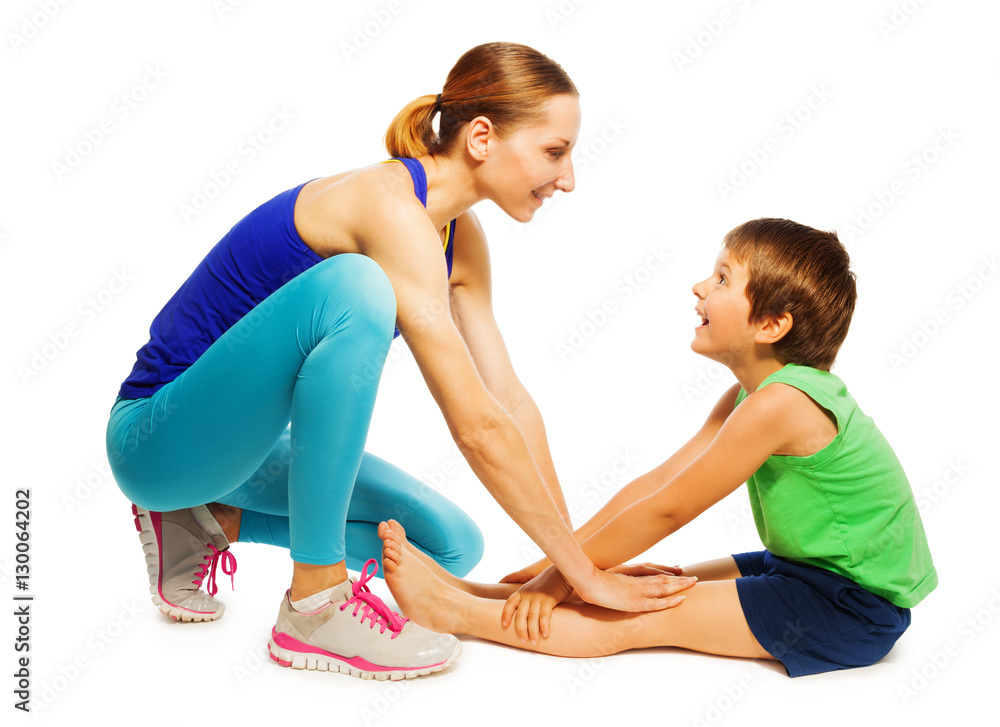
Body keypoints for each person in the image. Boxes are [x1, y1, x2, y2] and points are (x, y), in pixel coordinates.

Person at [106, 41, 693, 681]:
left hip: (237, 458)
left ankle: (207, 521)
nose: (569, 177)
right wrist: (586, 578)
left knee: (447, 547)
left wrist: (573, 566)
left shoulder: (459, 240)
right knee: (357, 286)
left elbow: (508, 404)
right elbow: (473, 424)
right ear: (481, 137)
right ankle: (316, 602)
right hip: (155, 440)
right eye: (555, 151)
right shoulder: (386, 204)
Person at [377, 217, 939, 677]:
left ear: (771, 324)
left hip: (851, 608)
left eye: (722, 279)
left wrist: (561, 577)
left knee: (646, 615)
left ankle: (454, 612)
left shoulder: (783, 405)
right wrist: (562, 563)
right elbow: (653, 485)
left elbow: (668, 509)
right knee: (642, 585)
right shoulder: (746, 397)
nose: (700, 287)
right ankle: (472, 591)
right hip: (799, 569)